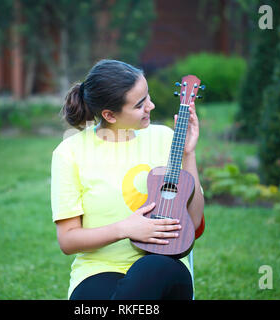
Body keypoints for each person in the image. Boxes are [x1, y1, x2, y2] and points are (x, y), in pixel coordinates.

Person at [51, 59, 205, 300]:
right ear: (109, 115)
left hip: (164, 266)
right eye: (140, 104)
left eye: (148, 96)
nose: (151, 106)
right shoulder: (70, 152)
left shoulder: (166, 139)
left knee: (150, 268)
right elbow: (68, 240)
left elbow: (194, 222)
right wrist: (124, 229)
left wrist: (188, 154)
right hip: (98, 271)